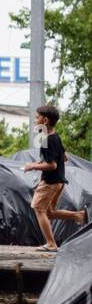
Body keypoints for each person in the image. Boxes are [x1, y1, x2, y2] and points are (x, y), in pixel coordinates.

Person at [22, 104, 87, 251]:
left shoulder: (46, 140)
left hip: (50, 182)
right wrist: (41, 162)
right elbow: (64, 157)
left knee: (38, 208)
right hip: (59, 182)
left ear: (45, 121)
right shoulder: (55, 137)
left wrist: (31, 166)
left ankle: (51, 244)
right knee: (49, 213)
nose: (34, 121)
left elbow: (52, 166)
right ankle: (78, 215)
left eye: (36, 117)